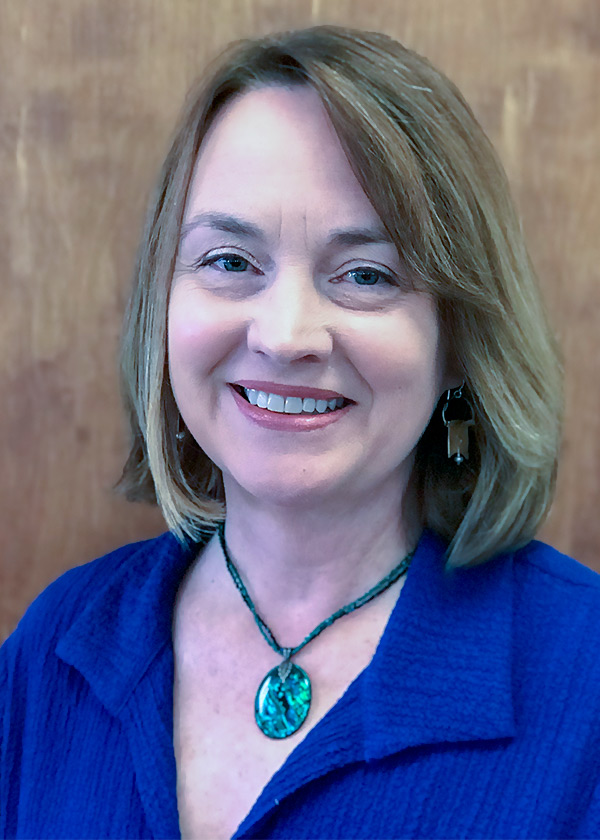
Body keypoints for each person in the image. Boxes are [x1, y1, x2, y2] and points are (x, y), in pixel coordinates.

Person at [1, 23, 599, 840]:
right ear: (163, 308)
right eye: (230, 262)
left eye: (364, 275)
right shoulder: (56, 649)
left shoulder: (584, 677)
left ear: (460, 342)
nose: (284, 336)